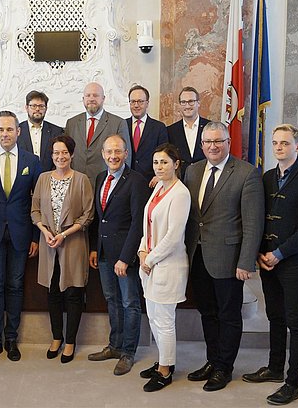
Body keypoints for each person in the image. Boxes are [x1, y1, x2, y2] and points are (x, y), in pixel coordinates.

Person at [242, 125, 298, 405]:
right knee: (274, 317)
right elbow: (259, 219)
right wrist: (260, 253)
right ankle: (275, 368)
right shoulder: (266, 178)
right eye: (275, 143)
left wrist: (279, 252)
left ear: (297, 147)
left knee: (295, 322)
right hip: (267, 261)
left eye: (285, 143)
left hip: (294, 262)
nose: (278, 147)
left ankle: (293, 382)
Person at [183, 122, 264, 391]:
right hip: (198, 256)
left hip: (229, 259)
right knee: (207, 312)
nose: (213, 146)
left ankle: (224, 368)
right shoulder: (192, 171)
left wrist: (246, 261)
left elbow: (253, 223)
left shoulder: (246, 173)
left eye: (218, 141)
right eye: (208, 142)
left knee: (228, 315)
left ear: (228, 142)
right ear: (202, 145)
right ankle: (212, 360)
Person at [0, 111, 42, 363]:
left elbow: (39, 200)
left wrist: (35, 235)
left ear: (18, 131)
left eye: (9, 129)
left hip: (21, 234)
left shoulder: (31, 161)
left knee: (15, 286)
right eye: (0, 130)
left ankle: (12, 338)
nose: (5, 134)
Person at [87, 135, 149, 375]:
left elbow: (137, 224)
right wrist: (95, 247)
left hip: (125, 256)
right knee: (112, 300)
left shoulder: (136, 181)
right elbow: (99, 218)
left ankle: (128, 352)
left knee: (130, 303)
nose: (113, 156)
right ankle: (114, 345)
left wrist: (126, 257)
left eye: (117, 152)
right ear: (103, 154)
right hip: (103, 254)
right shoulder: (100, 177)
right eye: (109, 152)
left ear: (125, 154)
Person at [32, 134, 94, 363]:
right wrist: (46, 232)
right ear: (51, 155)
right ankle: (56, 337)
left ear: (72, 154)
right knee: (52, 293)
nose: (60, 156)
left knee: (73, 293)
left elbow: (88, 215)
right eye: (56, 153)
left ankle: (70, 341)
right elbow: (35, 210)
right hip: (48, 244)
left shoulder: (82, 179)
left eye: (65, 152)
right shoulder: (42, 179)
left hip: (73, 243)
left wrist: (63, 234)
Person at [137, 143, 191, 392]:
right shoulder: (158, 186)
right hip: (149, 264)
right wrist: (141, 251)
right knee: (154, 319)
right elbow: (148, 224)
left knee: (165, 320)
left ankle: (166, 371)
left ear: (176, 164)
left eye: (164, 162)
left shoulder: (180, 194)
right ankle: (163, 360)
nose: (159, 167)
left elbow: (173, 236)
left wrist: (149, 259)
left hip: (167, 265)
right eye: (156, 162)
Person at [64, 82, 131, 187]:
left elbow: (126, 158)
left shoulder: (118, 123)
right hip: (75, 184)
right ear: (83, 99)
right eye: (88, 95)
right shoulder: (71, 123)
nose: (91, 98)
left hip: (106, 185)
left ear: (103, 98)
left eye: (95, 95)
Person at [124, 85, 168, 185]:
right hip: (125, 181)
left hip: (150, 182)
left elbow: (164, 155)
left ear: (147, 103)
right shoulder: (122, 125)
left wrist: (159, 176)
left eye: (140, 101)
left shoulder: (159, 128)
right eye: (133, 101)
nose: (136, 105)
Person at [166, 87, 210, 180]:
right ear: (179, 105)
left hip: (205, 179)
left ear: (198, 103)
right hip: (180, 180)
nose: (187, 106)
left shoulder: (210, 127)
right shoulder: (170, 130)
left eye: (191, 101)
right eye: (183, 102)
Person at [17, 90, 64, 171]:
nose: (37, 109)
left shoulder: (57, 132)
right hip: (23, 179)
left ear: (46, 109)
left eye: (41, 106)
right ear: (26, 108)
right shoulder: (17, 131)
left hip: (49, 178)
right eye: (34, 106)